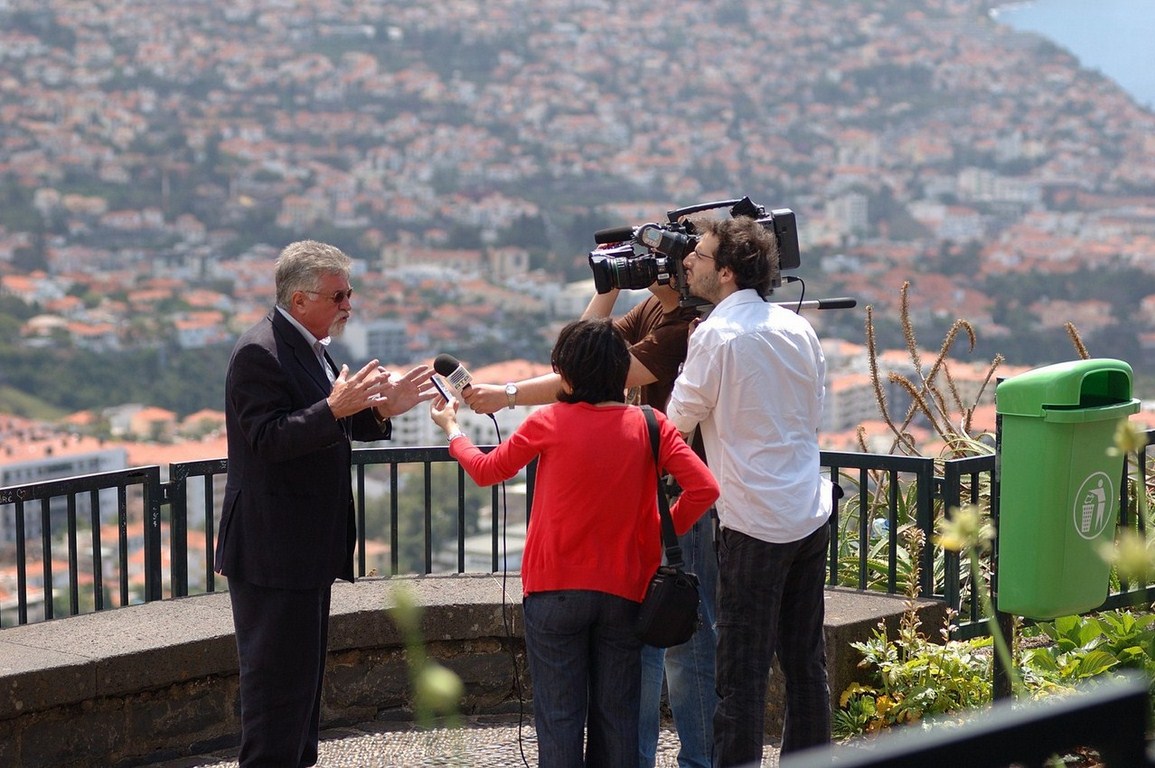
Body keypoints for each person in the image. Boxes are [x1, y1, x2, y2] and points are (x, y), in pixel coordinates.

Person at [430, 318, 719, 768]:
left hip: (553, 589)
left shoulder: (547, 421)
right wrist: (655, 536)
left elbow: (487, 471)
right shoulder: (650, 424)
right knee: (617, 719)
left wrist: (453, 431)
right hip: (626, 589)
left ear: (565, 373)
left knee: (560, 719)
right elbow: (704, 489)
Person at [215, 239, 435, 768]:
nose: (347, 305)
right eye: (338, 295)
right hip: (273, 554)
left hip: (305, 551)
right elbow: (267, 439)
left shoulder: (309, 345)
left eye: (349, 293)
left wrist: (384, 410)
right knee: (274, 696)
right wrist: (335, 407)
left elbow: (334, 417)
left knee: (302, 690)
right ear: (298, 298)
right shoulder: (258, 351)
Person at [666, 217, 833, 765]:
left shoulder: (715, 335)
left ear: (728, 272)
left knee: (742, 672)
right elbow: (815, 411)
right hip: (809, 511)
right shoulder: (798, 328)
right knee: (806, 664)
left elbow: (678, 418)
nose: (690, 262)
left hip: (753, 522)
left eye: (702, 256)